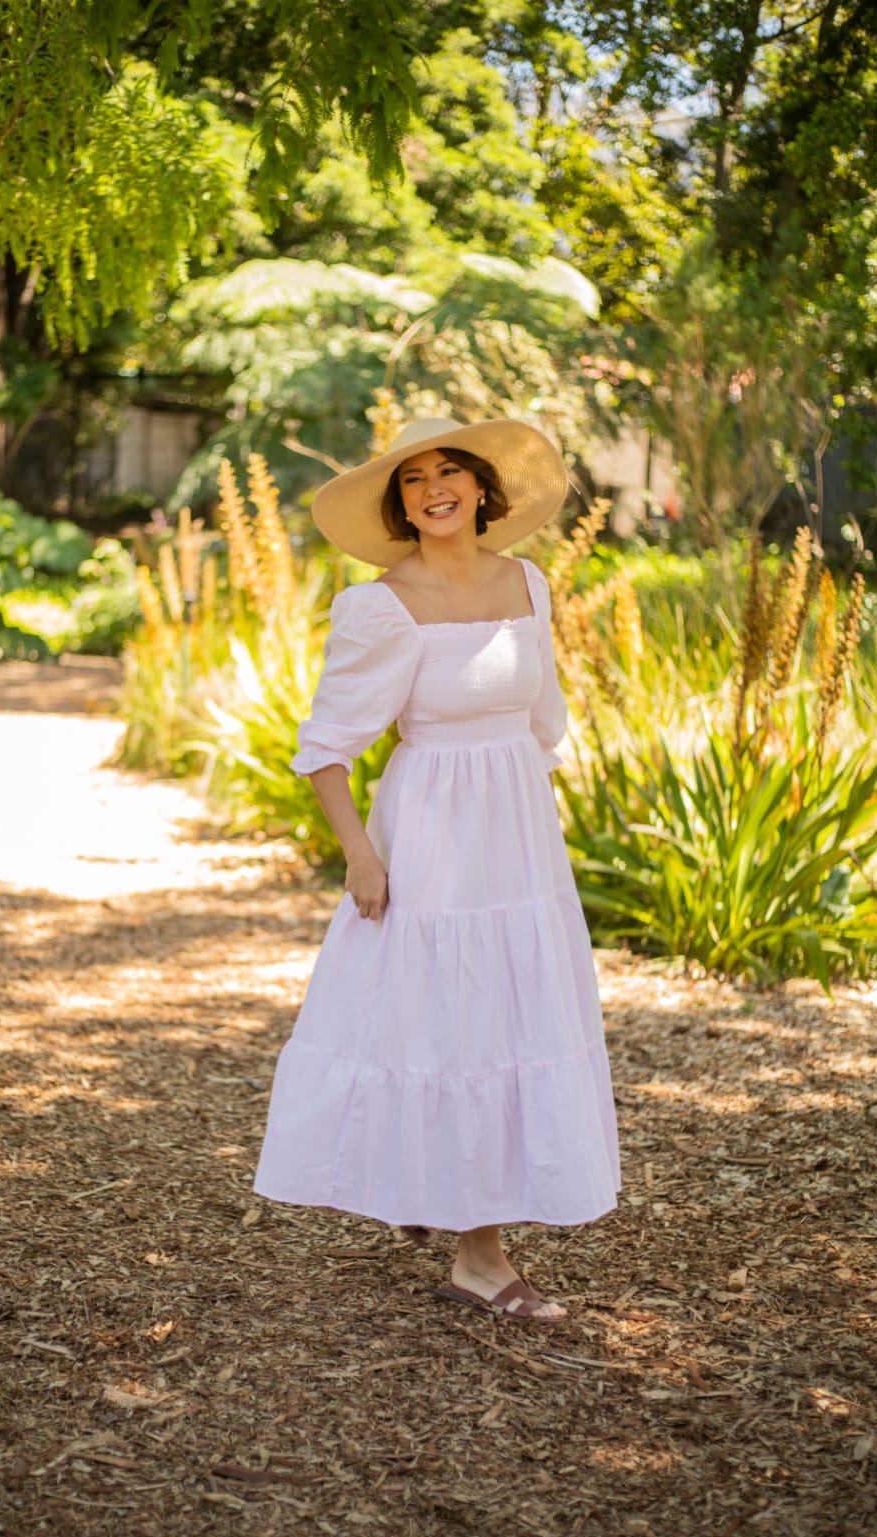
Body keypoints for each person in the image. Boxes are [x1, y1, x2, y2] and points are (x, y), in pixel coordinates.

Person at [253, 417, 621, 1322]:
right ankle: (480, 1259)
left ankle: (447, 1205)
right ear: (399, 503)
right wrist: (361, 854)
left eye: (450, 471)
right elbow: (326, 748)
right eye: (413, 479)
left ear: (483, 488)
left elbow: (544, 718)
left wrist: (529, 819)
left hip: (516, 835)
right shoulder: (383, 604)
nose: (434, 489)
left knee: (510, 1015)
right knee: (450, 1026)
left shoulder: (527, 582)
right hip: (429, 831)